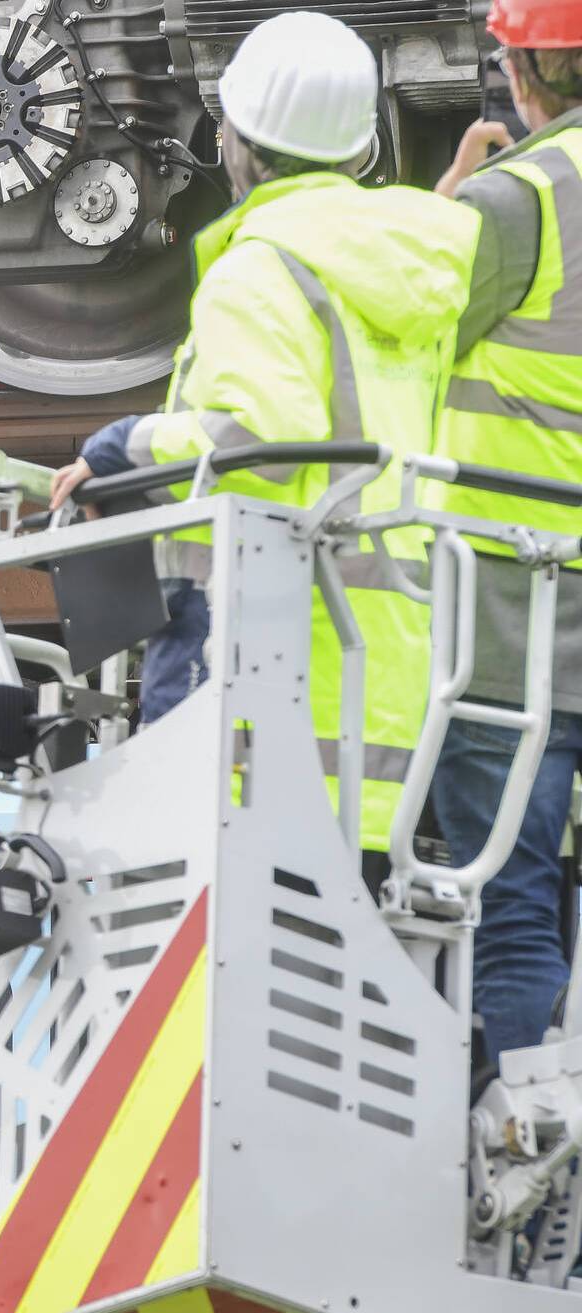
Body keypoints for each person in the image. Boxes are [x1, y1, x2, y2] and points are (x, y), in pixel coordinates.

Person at [48, 11, 480, 857]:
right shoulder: (411, 264)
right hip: (378, 695)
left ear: (234, 136)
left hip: (256, 690)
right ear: (360, 149)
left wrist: (118, 453)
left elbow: (260, 437)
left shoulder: (261, 264)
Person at [427, 0, 582, 1061]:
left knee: (511, 908)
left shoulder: (515, 199)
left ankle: (529, 1216)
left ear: (519, 69)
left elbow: (395, 331)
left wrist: (441, 200)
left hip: (512, 612)